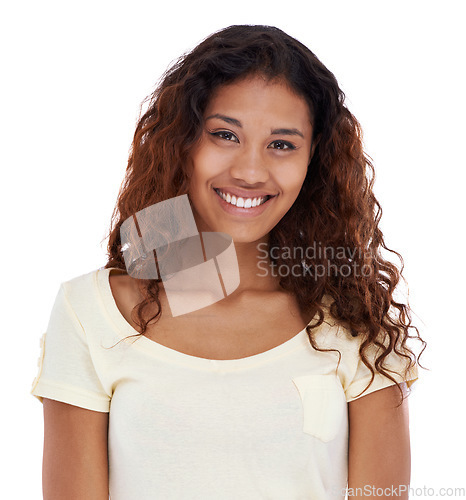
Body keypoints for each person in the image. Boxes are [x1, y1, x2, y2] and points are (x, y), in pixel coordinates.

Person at [31, 24, 426, 499]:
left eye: (281, 144)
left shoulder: (354, 322)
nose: (250, 172)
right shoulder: (92, 311)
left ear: (313, 159)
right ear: (183, 142)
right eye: (224, 135)